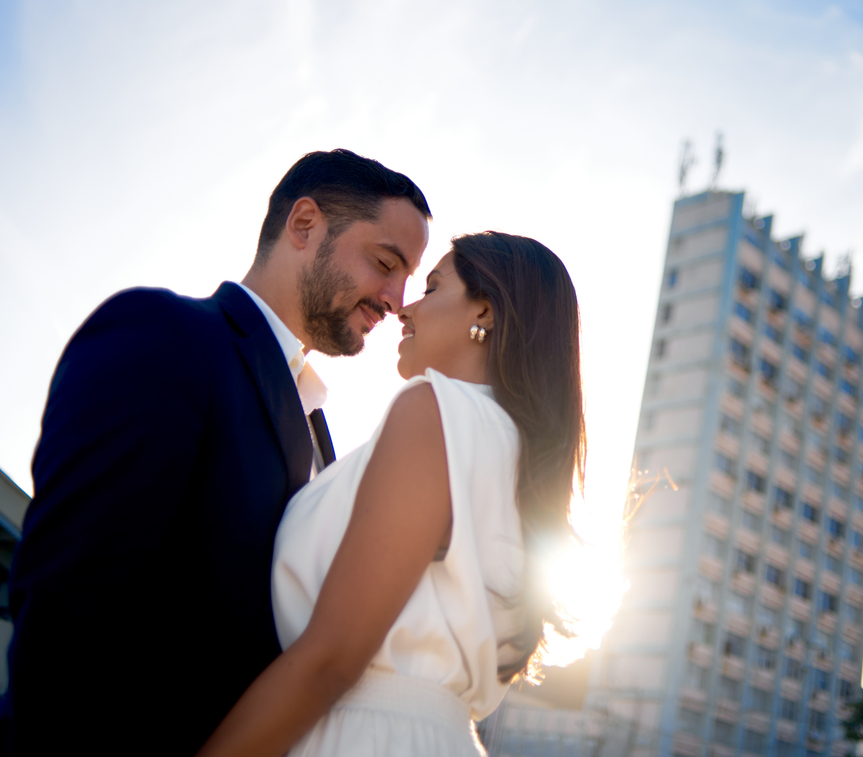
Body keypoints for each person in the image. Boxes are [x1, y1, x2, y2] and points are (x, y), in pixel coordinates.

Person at [6, 149, 431, 755]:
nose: (396, 298)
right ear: (305, 225)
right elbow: (66, 612)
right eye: (386, 263)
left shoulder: (320, 432)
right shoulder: (163, 336)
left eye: (410, 278)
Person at [197, 231, 585, 756]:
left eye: (431, 287)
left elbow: (331, 657)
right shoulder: (512, 452)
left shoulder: (433, 410)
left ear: (486, 312)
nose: (404, 308)